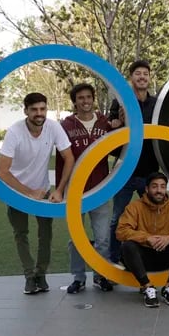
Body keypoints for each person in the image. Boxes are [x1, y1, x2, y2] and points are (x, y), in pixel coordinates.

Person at [0, 92, 75, 295]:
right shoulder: (14, 132)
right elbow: (3, 172)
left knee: (45, 234)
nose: (39, 114)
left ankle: (41, 275)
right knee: (20, 234)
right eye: (34, 110)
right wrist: (29, 192)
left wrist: (59, 190)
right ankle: (29, 276)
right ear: (26, 111)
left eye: (42, 109)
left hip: (43, 189)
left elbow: (69, 157)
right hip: (16, 191)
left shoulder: (52, 127)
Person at [57, 83, 114, 294]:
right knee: (76, 238)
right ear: (75, 102)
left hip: (100, 188)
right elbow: (62, 160)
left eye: (88, 97)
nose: (85, 101)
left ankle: (101, 275)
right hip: (75, 191)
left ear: (94, 98)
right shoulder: (66, 126)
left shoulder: (104, 123)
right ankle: (78, 278)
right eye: (80, 98)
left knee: (102, 238)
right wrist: (60, 189)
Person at [107, 60, 160, 265]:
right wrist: (118, 123)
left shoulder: (156, 104)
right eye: (138, 73)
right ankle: (113, 259)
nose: (142, 77)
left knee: (152, 218)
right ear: (131, 77)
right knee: (118, 217)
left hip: (150, 170)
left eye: (145, 73)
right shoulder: (120, 101)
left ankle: (149, 258)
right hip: (125, 169)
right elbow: (111, 130)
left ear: (149, 77)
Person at [116, 172, 169, 308]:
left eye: (163, 187)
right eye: (155, 186)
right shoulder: (135, 207)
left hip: (165, 257)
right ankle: (147, 287)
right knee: (128, 246)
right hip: (143, 259)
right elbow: (121, 231)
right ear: (146, 189)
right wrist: (147, 238)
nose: (159, 190)